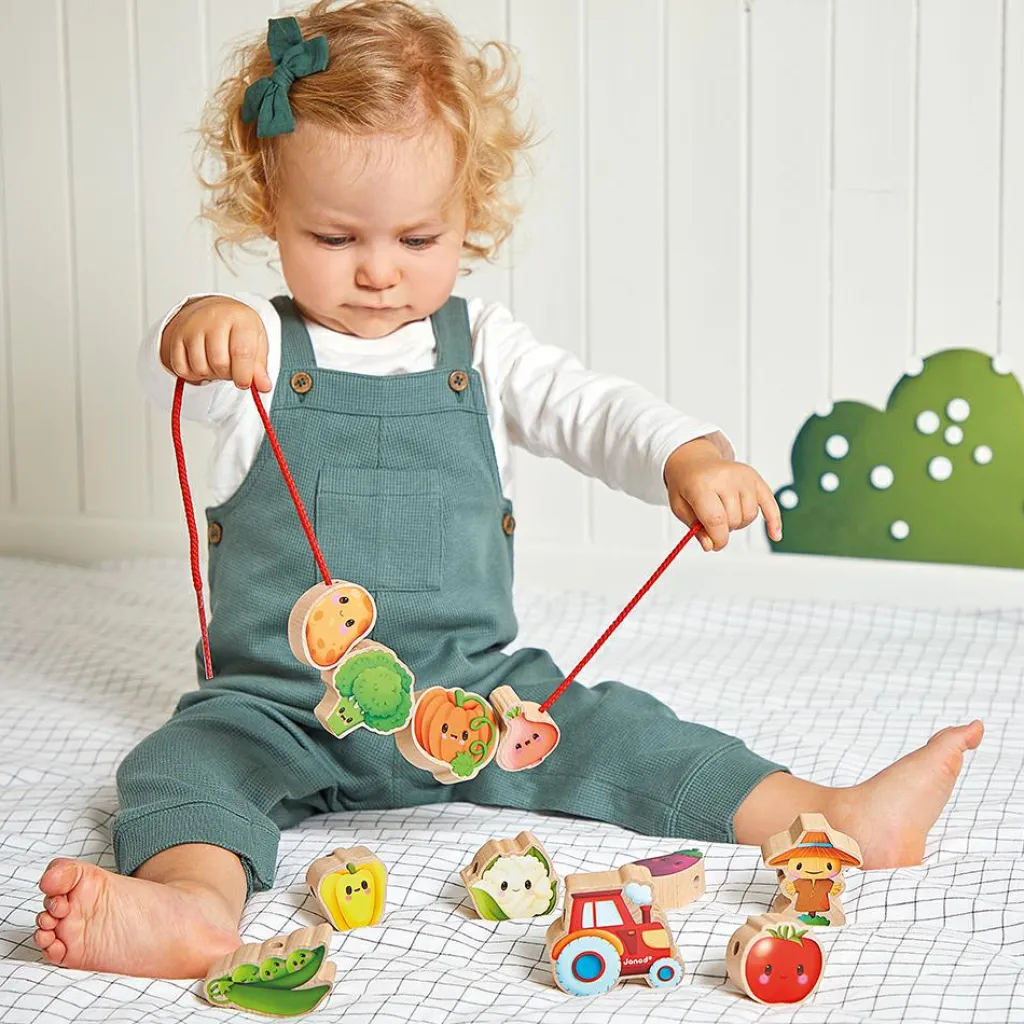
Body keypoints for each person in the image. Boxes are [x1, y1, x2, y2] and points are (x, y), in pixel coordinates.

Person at [33, 0, 983, 980]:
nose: (376, 271)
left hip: (475, 696)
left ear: (466, 214)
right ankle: (193, 904)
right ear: (267, 208)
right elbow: (173, 384)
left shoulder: (481, 348)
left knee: (621, 728)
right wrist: (195, 325)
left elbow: (593, 408)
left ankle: (829, 814)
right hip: (282, 706)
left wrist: (686, 456)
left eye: (414, 238)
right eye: (332, 237)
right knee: (182, 766)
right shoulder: (258, 353)